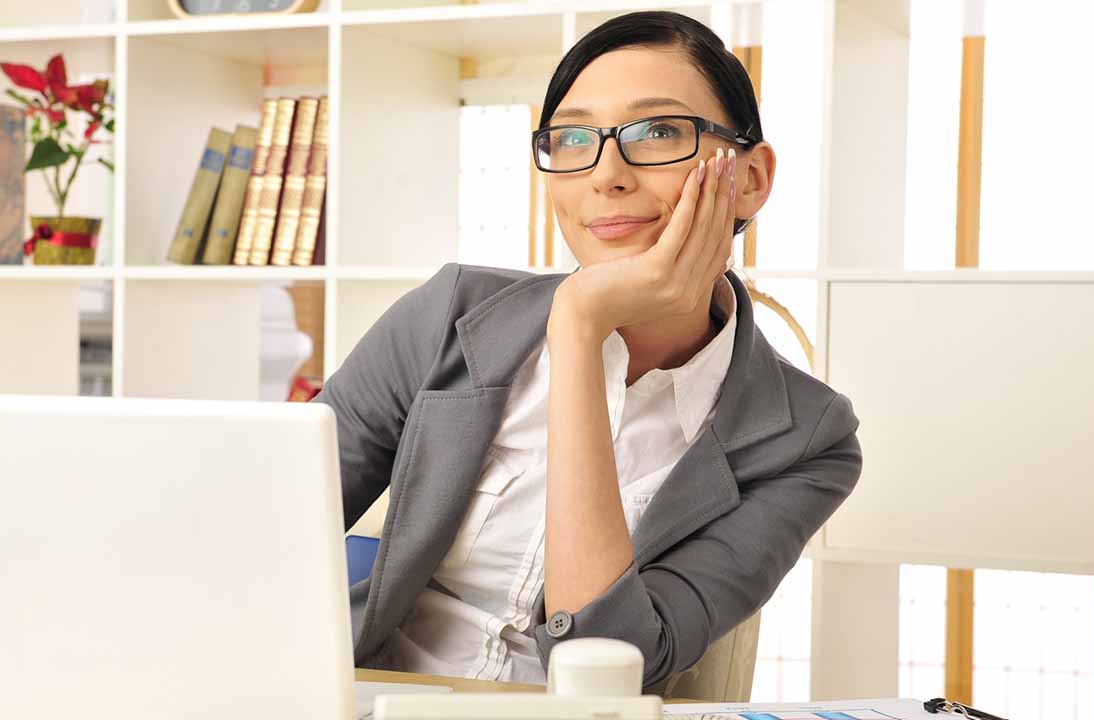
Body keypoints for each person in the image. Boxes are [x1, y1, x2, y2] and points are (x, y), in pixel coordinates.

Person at [311, 10, 863, 693]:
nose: (607, 174)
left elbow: (606, 662)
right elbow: (259, 528)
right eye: (573, 138)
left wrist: (578, 328)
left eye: (658, 131)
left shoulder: (808, 441)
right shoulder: (448, 315)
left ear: (749, 178)